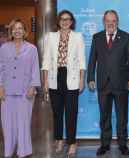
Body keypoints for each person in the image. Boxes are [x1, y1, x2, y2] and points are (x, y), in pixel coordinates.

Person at [87, 10, 129, 156]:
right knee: (104, 116)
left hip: (121, 83)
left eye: (113, 21)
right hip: (103, 83)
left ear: (117, 22)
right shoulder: (97, 37)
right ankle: (105, 144)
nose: (110, 23)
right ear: (104, 22)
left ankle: (122, 144)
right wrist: (90, 78)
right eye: (108, 21)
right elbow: (92, 60)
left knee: (122, 116)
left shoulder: (126, 37)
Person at [41, 10, 86, 157]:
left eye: (68, 19)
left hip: (71, 78)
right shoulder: (51, 37)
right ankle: (59, 139)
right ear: (58, 21)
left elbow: (81, 60)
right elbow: (46, 60)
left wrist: (81, 79)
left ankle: (72, 142)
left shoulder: (78, 37)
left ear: (72, 22)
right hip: (55, 77)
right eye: (62, 19)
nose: (65, 21)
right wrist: (46, 81)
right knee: (57, 112)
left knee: (71, 113)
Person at [0, 19, 40, 158]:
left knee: (23, 123)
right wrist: (0, 87)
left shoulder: (32, 49)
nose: (17, 31)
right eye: (14, 29)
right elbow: (0, 68)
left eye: (20, 28)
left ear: (24, 31)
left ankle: (23, 151)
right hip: (7, 91)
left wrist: (33, 86)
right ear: (11, 32)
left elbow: (35, 69)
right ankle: (8, 151)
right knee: (7, 123)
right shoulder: (4, 48)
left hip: (25, 91)